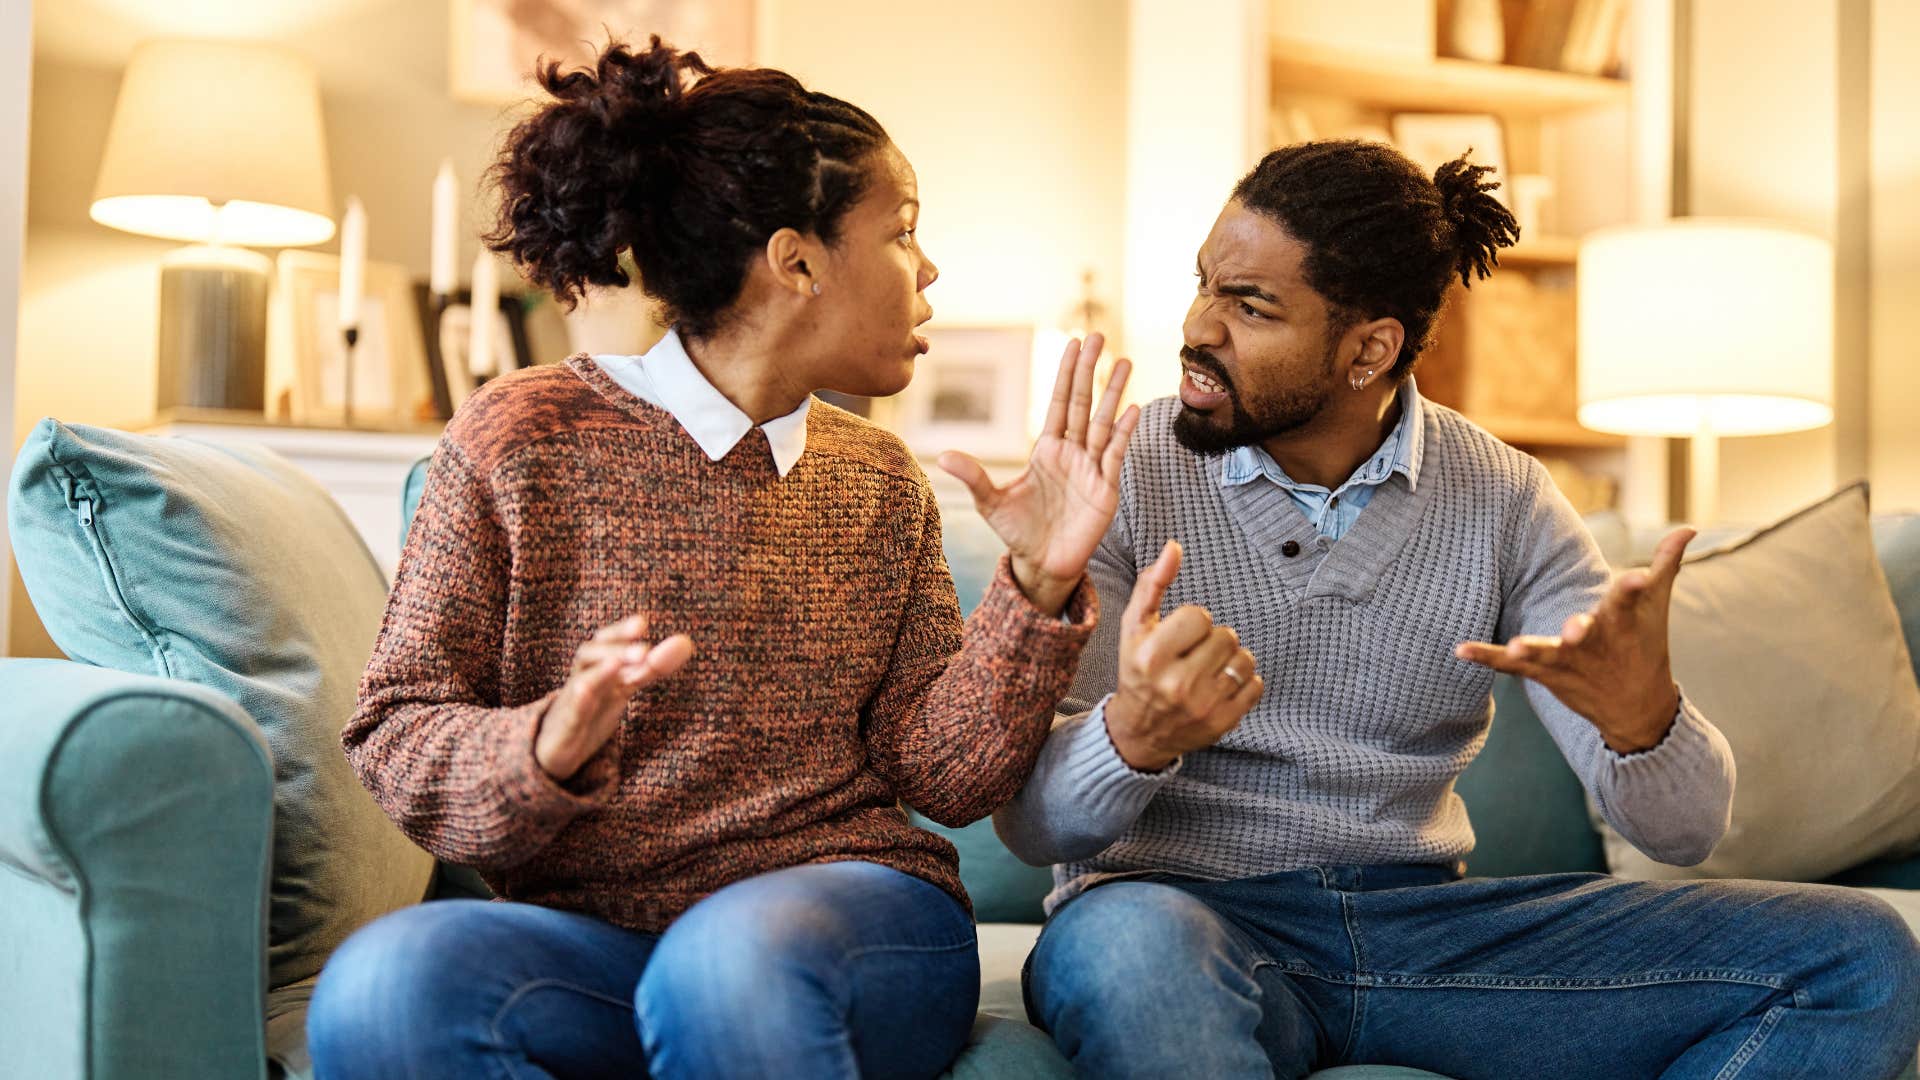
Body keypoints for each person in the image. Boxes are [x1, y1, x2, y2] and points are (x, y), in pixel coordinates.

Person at [994, 138, 1920, 1079]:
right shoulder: (1116, 473)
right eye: (1204, 285)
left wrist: (1647, 724)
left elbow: (1683, 835)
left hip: (1423, 934)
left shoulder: (1507, 498)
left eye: (1250, 305)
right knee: (1131, 956)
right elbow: (1031, 827)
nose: (1198, 326)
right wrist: (1134, 735)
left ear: (1370, 350)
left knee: (1859, 956)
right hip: (1179, 917)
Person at [306, 37, 1140, 1080]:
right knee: (388, 988)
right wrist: (543, 746)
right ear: (796, 262)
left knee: (728, 962)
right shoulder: (519, 438)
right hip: (596, 940)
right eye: (904, 234)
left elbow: (943, 773)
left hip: (856, 920)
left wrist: (1036, 588)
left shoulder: (879, 479)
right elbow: (396, 724)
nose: (928, 272)